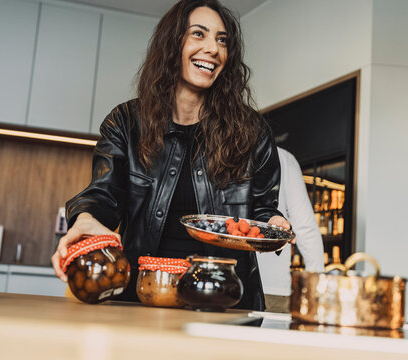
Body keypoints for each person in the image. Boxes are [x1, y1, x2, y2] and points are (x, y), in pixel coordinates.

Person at [51, 0, 290, 311]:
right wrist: (84, 217)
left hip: (224, 298)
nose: (212, 49)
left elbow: (259, 211)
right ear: (172, 43)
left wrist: (272, 221)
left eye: (222, 40)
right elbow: (104, 194)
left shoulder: (252, 130)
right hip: (144, 292)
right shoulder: (125, 122)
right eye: (198, 34)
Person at [257, 146, 324, 297]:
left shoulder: (213, 152)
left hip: (218, 282)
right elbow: (306, 228)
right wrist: (315, 290)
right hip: (271, 288)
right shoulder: (283, 158)